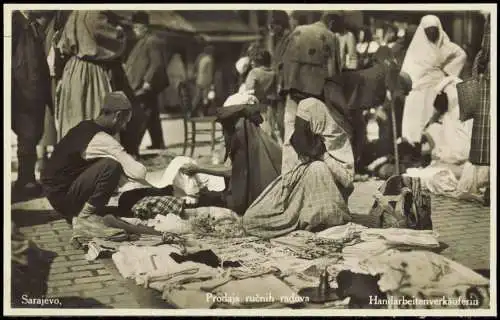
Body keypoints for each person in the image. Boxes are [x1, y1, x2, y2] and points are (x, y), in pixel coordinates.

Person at [242, 87, 354, 239]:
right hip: (295, 197)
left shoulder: (336, 139)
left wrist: (323, 156)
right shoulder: (298, 138)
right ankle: (299, 222)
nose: (302, 128)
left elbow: (348, 181)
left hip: (330, 201)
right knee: (251, 220)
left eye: (305, 124)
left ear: (317, 119)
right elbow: (288, 177)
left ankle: (321, 222)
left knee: (317, 168)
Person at [41, 92, 150, 232]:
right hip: (63, 197)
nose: (124, 128)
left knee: (110, 165)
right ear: (117, 116)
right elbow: (139, 172)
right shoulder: (101, 138)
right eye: (124, 122)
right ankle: (86, 217)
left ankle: (82, 212)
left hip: (57, 193)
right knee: (111, 166)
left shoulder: (85, 126)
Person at [55, 11, 143, 156]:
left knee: (76, 115)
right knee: (95, 112)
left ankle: (75, 159)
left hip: (73, 70)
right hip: (92, 70)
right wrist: (127, 33)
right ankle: (94, 161)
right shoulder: (95, 14)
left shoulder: (74, 14)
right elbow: (113, 40)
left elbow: (62, 45)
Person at [179, 93, 282, 215]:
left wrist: (198, 169)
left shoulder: (243, 132)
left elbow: (234, 171)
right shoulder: (257, 132)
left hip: (255, 200)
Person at [280, 12, 342, 176]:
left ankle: (289, 172)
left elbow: (285, 61)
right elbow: (334, 71)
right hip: (317, 92)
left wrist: (286, 86)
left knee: (290, 132)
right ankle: (309, 174)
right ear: (332, 22)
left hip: (294, 89)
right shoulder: (331, 36)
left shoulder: (299, 31)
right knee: (315, 134)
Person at [400, 15, 466, 148]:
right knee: (416, 123)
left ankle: (433, 148)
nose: (431, 32)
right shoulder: (416, 48)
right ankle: (414, 149)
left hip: (437, 89)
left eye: (434, 29)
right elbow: (407, 71)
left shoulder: (446, 46)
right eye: (428, 29)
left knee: (434, 120)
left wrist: (448, 72)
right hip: (418, 90)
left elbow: (461, 55)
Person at [12, 10, 52, 198]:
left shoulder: (31, 24)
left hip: (34, 89)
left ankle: (26, 179)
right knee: (27, 136)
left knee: (33, 135)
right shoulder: (15, 21)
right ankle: (25, 181)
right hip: (23, 90)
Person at [125, 11, 170, 150]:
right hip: (142, 84)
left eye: (136, 27)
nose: (134, 30)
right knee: (152, 115)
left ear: (143, 27)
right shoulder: (142, 41)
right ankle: (158, 142)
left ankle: (133, 146)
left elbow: (156, 63)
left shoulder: (152, 41)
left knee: (141, 114)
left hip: (145, 85)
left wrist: (148, 81)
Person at [466, 11, 490, 205]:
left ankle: (487, 187)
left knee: (487, 139)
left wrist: (479, 69)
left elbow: (486, 51)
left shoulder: (490, 21)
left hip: (490, 82)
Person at [245, 50, 278, 141]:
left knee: (257, 134)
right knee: (270, 132)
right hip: (271, 107)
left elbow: (249, 90)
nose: (251, 63)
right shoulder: (273, 73)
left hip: (257, 106)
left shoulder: (254, 72)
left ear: (258, 61)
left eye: (253, 60)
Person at [191, 45, 215, 116]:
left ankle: (191, 111)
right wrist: (211, 82)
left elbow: (195, 68)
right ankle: (205, 112)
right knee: (205, 97)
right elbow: (210, 72)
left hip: (199, 80)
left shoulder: (200, 58)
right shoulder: (210, 59)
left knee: (197, 97)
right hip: (206, 81)